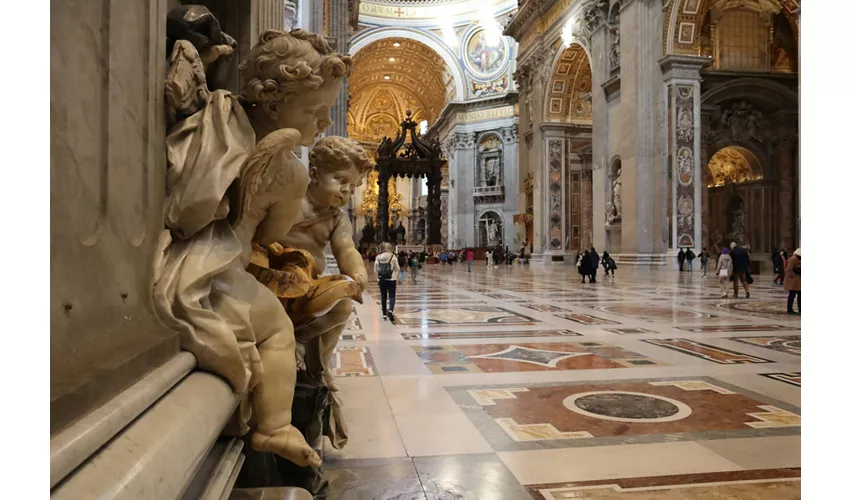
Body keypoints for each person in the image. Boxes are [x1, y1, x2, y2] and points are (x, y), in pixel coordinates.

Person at [374, 242, 400, 320]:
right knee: (392, 296)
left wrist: (379, 277)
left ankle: (384, 315)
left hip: (381, 279)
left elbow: (375, 270)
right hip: (392, 279)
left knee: (383, 296)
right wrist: (395, 275)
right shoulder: (393, 256)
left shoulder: (378, 257)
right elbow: (397, 268)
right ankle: (391, 310)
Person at [784, 248, 801, 315]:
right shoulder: (793, 259)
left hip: (797, 281)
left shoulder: (797, 259)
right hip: (792, 281)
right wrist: (796, 274)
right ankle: (790, 310)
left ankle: (800, 309)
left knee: (799, 296)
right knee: (792, 295)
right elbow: (789, 271)